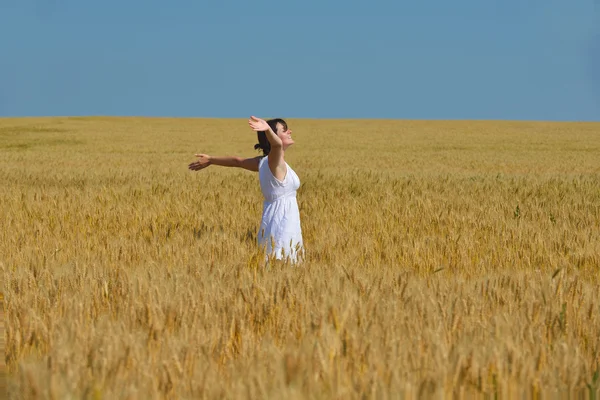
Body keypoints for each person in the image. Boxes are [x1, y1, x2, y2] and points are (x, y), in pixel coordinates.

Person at [188, 116, 304, 264]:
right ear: (273, 137)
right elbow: (276, 146)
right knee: (284, 262)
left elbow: (238, 161)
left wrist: (211, 159)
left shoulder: (263, 162)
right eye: (284, 129)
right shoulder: (274, 160)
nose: (289, 131)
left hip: (275, 220)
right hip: (283, 225)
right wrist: (268, 129)